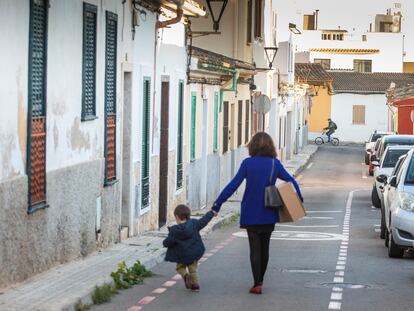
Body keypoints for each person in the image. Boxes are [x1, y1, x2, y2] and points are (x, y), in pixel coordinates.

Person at [212, 132, 303, 295]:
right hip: (269, 212)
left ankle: (257, 283)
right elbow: (291, 181)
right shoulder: (275, 164)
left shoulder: (248, 163)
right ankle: (260, 281)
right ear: (271, 146)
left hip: (250, 212)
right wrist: (299, 199)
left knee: (254, 248)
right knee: (265, 247)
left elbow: (233, 185)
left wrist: (217, 204)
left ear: (252, 146)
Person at [163, 204, 216, 292]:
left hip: (182, 255)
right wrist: (211, 213)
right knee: (193, 269)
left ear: (177, 217)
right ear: (188, 215)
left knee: (180, 268)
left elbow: (167, 242)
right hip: (194, 253)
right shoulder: (194, 224)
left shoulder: (175, 231)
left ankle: (186, 276)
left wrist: (165, 243)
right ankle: (195, 286)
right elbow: (204, 221)